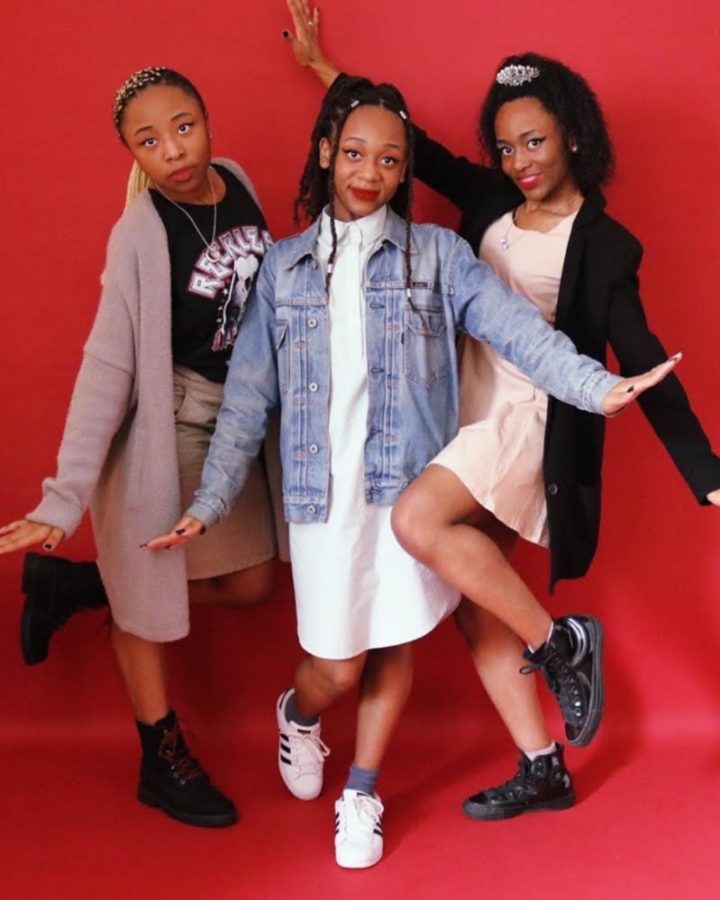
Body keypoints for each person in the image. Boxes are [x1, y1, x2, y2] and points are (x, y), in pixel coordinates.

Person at [147, 74, 676, 867]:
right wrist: (212, 499)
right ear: (326, 154)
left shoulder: (438, 255)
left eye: (390, 159)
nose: (371, 171)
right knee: (336, 667)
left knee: (392, 642)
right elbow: (248, 399)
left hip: (402, 483)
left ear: (404, 171)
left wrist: (597, 387)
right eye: (355, 153)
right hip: (320, 497)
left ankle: (361, 792)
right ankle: (298, 714)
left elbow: (519, 332)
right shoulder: (284, 270)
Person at [282, 2, 720, 821]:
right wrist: (325, 73)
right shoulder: (490, 197)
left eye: (536, 142)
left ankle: (563, 642)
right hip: (460, 408)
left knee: (418, 522)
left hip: (529, 419)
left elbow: (645, 361)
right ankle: (543, 765)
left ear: (574, 137)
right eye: (508, 145)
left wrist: (708, 476)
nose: (519, 160)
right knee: (482, 614)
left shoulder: (605, 244)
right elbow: (400, 138)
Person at [0, 67, 285, 828]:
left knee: (254, 583)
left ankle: (79, 587)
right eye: (149, 141)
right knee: (148, 595)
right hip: (173, 423)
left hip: (239, 421)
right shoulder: (139, 233)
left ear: (206, 119)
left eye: (183, 127)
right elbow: (107, 366)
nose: (174, 150)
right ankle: (160, 757)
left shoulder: (236, 181)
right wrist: (62, 497)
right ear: (132, 153)